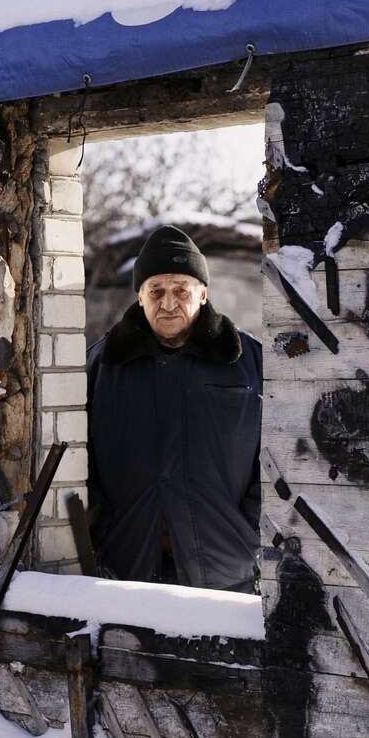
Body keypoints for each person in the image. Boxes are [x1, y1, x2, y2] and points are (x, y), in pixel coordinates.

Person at [86, 225, 262, 593]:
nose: (168, 304)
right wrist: (102, 528)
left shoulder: (251, 362)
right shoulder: (102, 365)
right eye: (156, 291)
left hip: (227, 569)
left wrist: (249, 531)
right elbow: (80, 460)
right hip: (127, 566)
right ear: (140, 297)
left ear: (203, 294)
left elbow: (278, 458)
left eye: (181, 290)